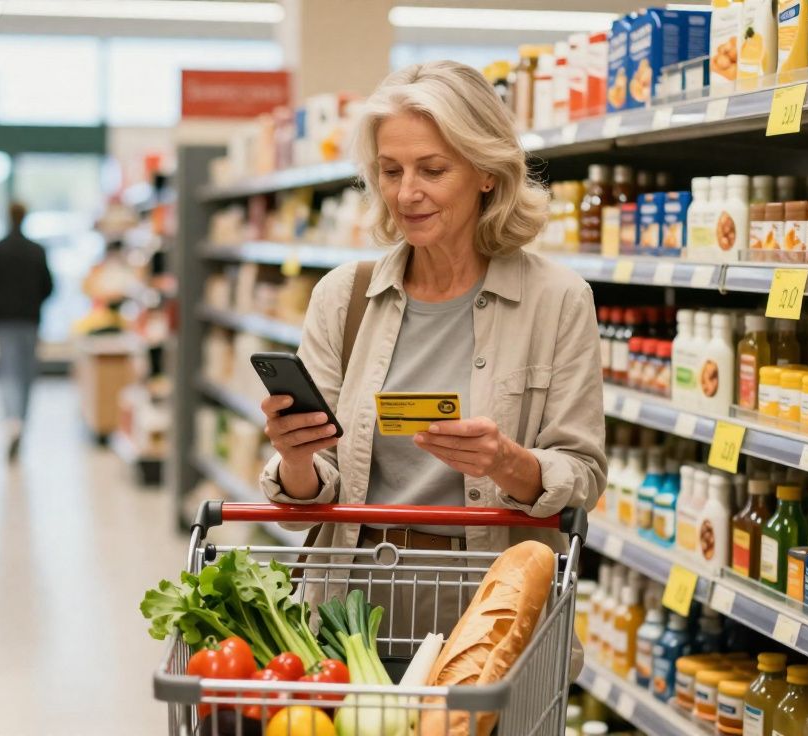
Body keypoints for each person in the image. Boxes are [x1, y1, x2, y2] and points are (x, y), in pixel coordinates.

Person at [258, 61, 606, 643]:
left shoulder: (558, 300)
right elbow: (315, 487)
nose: (406, 193)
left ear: (487, 173)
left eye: (433, 169)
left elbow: (584, 474)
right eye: (390, 171)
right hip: (351, 615)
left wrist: (507, 462)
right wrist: (295, 458)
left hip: (496, 615)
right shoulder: (344, 297)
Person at [0, 202, 55, 460]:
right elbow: (48, 286)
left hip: (4, 319)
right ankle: (20, 420)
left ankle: (11, 421)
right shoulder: (36, 251)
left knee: (8, 372)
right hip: (30, 319)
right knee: (26, 374)